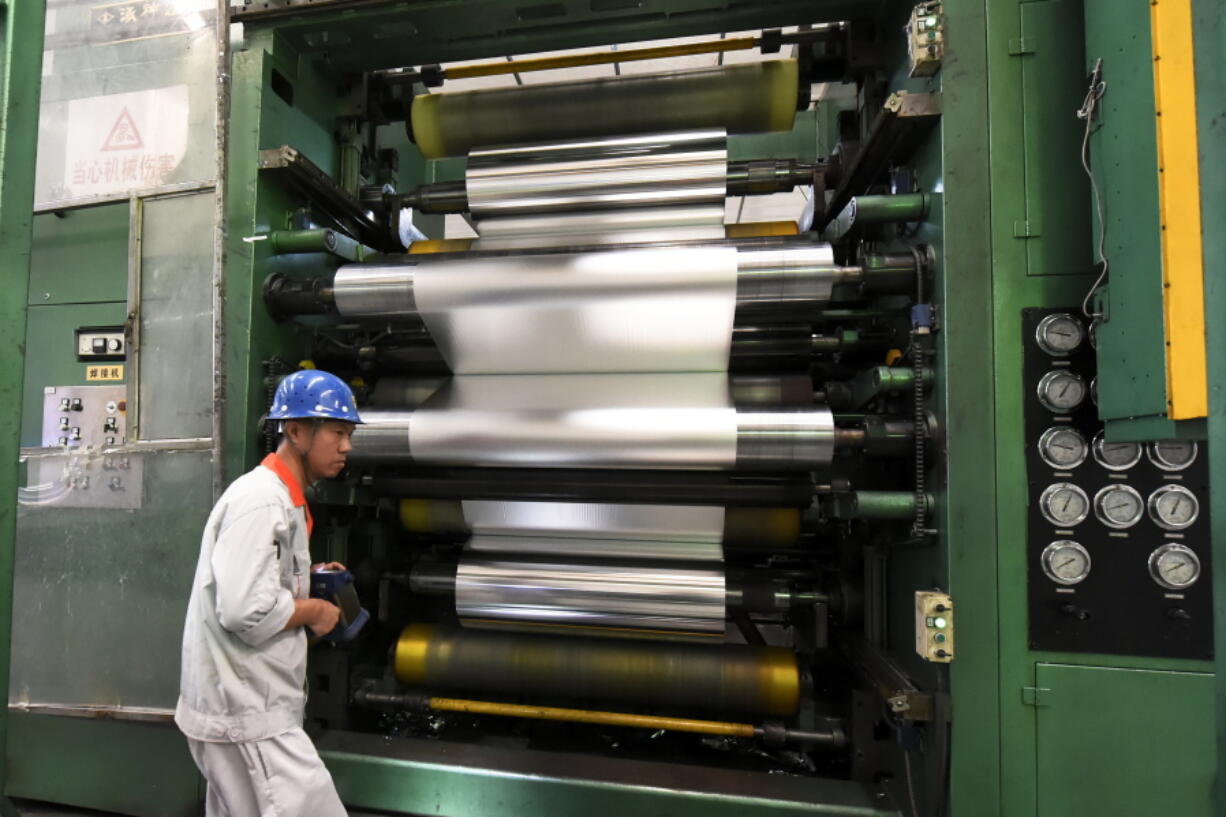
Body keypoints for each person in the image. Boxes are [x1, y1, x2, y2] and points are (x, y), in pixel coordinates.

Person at [175, 369, 362, 816]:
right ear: (295, 431)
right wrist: (314, 609)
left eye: (349, 434)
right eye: (337, 431)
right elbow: (243, 610)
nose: (346, 446)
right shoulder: (262, 502)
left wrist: (305, 576)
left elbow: (254, 581)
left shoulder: (283, 497)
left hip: (245, 708)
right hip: (246, 712)